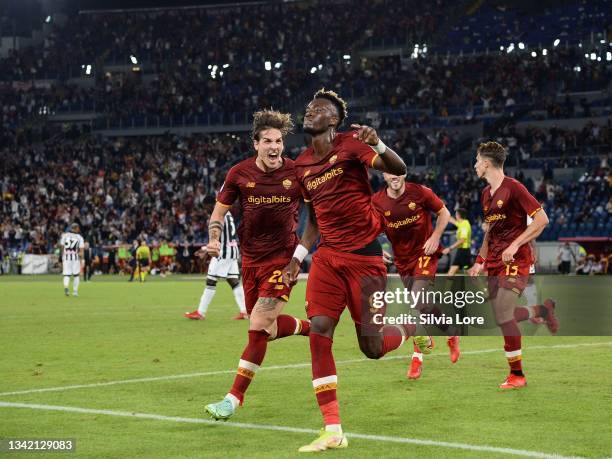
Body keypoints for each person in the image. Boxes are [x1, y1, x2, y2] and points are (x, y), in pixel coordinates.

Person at [283, 89, 428, 452]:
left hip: (365, 259)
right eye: (310, 106)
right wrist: (298, 257)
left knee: (373, 348)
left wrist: (378, 144)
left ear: (333, 121)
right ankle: (332, 428)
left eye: (319, 109)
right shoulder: (301, 164)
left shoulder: (351, 146)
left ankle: (413, 327)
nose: (310, 111)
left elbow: (399, 169)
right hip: (328, 258)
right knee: (319, 329)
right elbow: (313, 220)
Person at [204, 110, 310, 421]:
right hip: (250, 262)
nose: (275, 147)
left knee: (258, 326)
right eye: (268, 141)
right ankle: (310, 327)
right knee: (267, 328)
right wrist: (213, 239)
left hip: (283, 261)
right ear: (256, 144)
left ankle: (233, 398)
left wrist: (298, 259)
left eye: (279, 141)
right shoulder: (239, 174)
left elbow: (317, 218)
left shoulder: (297, 173)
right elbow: (217, 214)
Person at [468, 141, 558, 389]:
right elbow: (490, 233)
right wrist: (479, 261)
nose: (475, 165)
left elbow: (542, 219)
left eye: (477, 161)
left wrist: (516, 245)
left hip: (515, 261)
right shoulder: (486, 195)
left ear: (486, 163)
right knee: (502, 315)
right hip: (495, 262)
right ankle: (541, 311)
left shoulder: (515, 188)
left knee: (503, 314)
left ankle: (517, 375)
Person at [372, 172, 459, 380]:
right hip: (402, 261)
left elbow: (444, 213)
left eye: (396, 171)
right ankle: (451, 331)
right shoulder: (377, 201)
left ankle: (417, 359)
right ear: (383, 175)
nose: (393, 176)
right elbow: (367, 228)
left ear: (403, 173)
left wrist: (436, 237)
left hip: (425, 253)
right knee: (424, 307)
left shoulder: (419, 192)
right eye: (388, 172)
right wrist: (376, 248)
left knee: (415, 302)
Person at [184, 211, 248, 320]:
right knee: (234, 281)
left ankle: (200, 312)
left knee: (211, 281)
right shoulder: (228, 214)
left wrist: (204, 249)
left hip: (222, 253)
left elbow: (216, 236)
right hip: (232, 250)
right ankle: (245, 311)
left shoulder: (219, 214)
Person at [442, 208, 472, 276]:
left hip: (464, 252)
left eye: (456, 214)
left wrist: (450, 248)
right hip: (461, 251)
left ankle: (482, 286)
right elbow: (455, 222)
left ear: (458, 215)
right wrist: (445, 215)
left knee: (470, 274)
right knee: (451, 273)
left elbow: (462, 240)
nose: (455, 216)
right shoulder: (462, 223)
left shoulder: (464, 225)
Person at [59, 223, 85, 297]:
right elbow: (81, 250)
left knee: (66, 274)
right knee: (76, 275)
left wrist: (61, 257)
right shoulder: (79, 237)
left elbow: (61, 246)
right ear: (76, 228)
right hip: (75, 258)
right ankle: (75, 291)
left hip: (66, 258)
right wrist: (82, 260)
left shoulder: (65, 235)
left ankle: (66, 288)